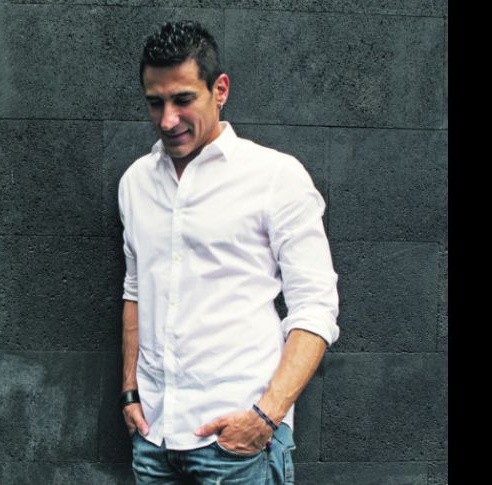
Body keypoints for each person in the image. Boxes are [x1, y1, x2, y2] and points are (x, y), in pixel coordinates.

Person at [117, 21, 340, 484]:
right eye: (155, 102)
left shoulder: (275, 177)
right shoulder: (136, 181)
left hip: (238, 445)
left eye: (183, 100)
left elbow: (316, 308)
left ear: (219, 90)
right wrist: (129, 392)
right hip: (154, 436)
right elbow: (136, 290)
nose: (167, 120)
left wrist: (265, 417)